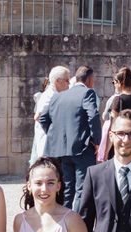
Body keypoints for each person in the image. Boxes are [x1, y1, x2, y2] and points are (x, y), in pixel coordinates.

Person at [41, 65, 101, 211]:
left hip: (61, 150)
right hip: (82, 148)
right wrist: (96, 141)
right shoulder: (88, 93)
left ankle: (63, 219)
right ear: (90, 79)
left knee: (67, 188)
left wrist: (55, 136)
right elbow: (93, 116)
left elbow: (43, 118)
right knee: (82, 189)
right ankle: (78, 224)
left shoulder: (58, 96)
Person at [30, 66, 70, 165]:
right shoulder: (50, 96)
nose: (69, 84)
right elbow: (38, 117)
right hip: (48, 146)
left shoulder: (54, 94)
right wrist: (54, 133)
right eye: (67, 80)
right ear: (58, 81)